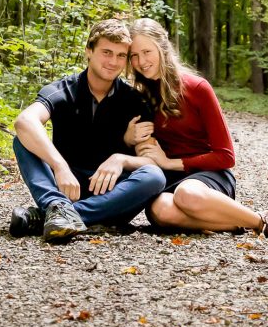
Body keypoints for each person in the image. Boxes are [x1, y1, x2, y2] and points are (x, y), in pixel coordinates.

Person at [126, 17, 268, 238]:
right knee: (160, 211)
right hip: (168, 180)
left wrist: (169, 162)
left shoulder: (197, 88)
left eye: (147, 52)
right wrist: (128, 139)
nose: (142, 61)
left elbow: (226, 156)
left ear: (163, 48)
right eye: (134, 55)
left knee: (187, 194)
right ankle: (246, 221)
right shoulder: (138, 97)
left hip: (208, 176)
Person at [9, 19, 165, 243]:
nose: (113, 61)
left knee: (154, 177)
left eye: (121, 55)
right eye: (106, 52)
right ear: (89, 51)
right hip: (66, 186)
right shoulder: (62, 90)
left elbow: (151, 161)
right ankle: (58, 206)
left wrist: (120, 159)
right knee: (22, 140)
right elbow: (25, 121)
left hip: (112, 195)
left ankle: (52, 215)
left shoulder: (135, 100)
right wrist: (59, 166)